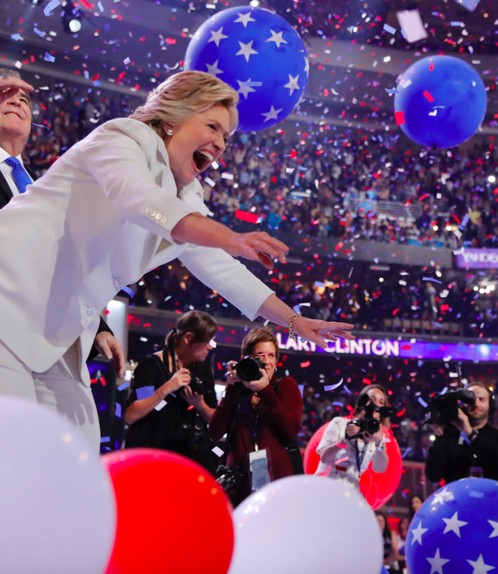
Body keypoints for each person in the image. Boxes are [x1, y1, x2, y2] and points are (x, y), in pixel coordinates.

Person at [0, 70, 353, 449]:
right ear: (172, 118)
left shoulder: (187, 193)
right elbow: (139, 199)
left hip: (57, 334)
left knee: (74, 463)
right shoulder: (122, 138)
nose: (220, 143)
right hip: (11, 300)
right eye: (213, 126)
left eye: (226, 136)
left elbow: (216, 264)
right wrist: (231, 237)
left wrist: (294, 320)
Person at [0, 69, 125, 379]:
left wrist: (97, 326)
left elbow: (61, 262)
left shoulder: (40, 187)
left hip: (51, 345)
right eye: (4, 94)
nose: (16, 101)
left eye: (24, 98)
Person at [208, 327, 302, 506]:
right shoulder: (237, 391)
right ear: (247, 359)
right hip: (238, 486)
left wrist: (265, 391)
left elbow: (290, 431)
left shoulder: (285, 386)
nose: (266, 361)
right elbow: (215, 432)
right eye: (260, 356)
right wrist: (231, 388)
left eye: (271, 355)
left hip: (276, 484)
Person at [123, 310, 219, 473]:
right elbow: (131, 415)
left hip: (188, 461)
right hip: (151, 460)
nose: (210, 347)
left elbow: (216, 421)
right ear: (188, 338)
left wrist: (200, 405)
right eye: (207, 341)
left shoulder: (203, 370)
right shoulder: (151, 366)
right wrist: (166, 389)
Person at [424, 382, 498, 484]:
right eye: (470, 399)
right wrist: (440, 434)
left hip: (491, 498)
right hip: (457, 498)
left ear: (490, 405)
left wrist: (468, 431)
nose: (476, 404)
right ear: (462, 404)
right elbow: (433, 476)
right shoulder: (449, 437)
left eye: (481, 399)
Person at [315, 387, 390, 493]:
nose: (376, 405)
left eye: (381, 402)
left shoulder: (376, 437)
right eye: (372, 400)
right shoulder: (339, 423)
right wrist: (344, 441)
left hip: (350, 496)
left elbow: (380, 468)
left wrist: (379, 443)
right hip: (325, 489)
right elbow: (324, 457)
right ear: (362, 401)